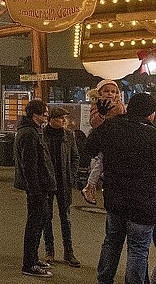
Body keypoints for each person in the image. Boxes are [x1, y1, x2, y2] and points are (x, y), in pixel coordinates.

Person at [85, 92, 156, 284]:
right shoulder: (152, 136)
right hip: (144, 205)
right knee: (138, 248)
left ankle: (104, 279)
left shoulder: (111, 127)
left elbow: (89, 149)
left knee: (112, 242)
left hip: (115, 200)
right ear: (150, 114)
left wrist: (102, 117)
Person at [14, 99, 55, 278]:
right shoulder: (30, 133)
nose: (47, 115)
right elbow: (29, 165)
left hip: (39, 186)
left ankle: (33, 258)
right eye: (44, 112)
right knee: (34, 225)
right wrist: (35, 189)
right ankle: (28, 264)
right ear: (34, 114)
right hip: (36, 188)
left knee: (39, 223)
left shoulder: (31, 131)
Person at [41, 107, 80, 267]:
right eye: (61, 118)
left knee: (66, 218)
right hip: (47, 183)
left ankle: (68, 251)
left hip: (63, 182)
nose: (64, 120)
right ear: (51, 119)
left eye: (65, 118)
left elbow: (75, 157)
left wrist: (71, 176)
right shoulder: (41, 135)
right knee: (47, 217)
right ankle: (49, 251)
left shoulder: (69, 135)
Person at [82, 79, 125, 205]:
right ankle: (90, 185)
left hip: (118, 139)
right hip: (104, 139)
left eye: (113, 91)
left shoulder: (120, 104)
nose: (110, 94)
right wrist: (102, 114)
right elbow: (93, 123)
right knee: (101, 161)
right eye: (106, 91)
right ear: (99, 92)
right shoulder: (97, 104)